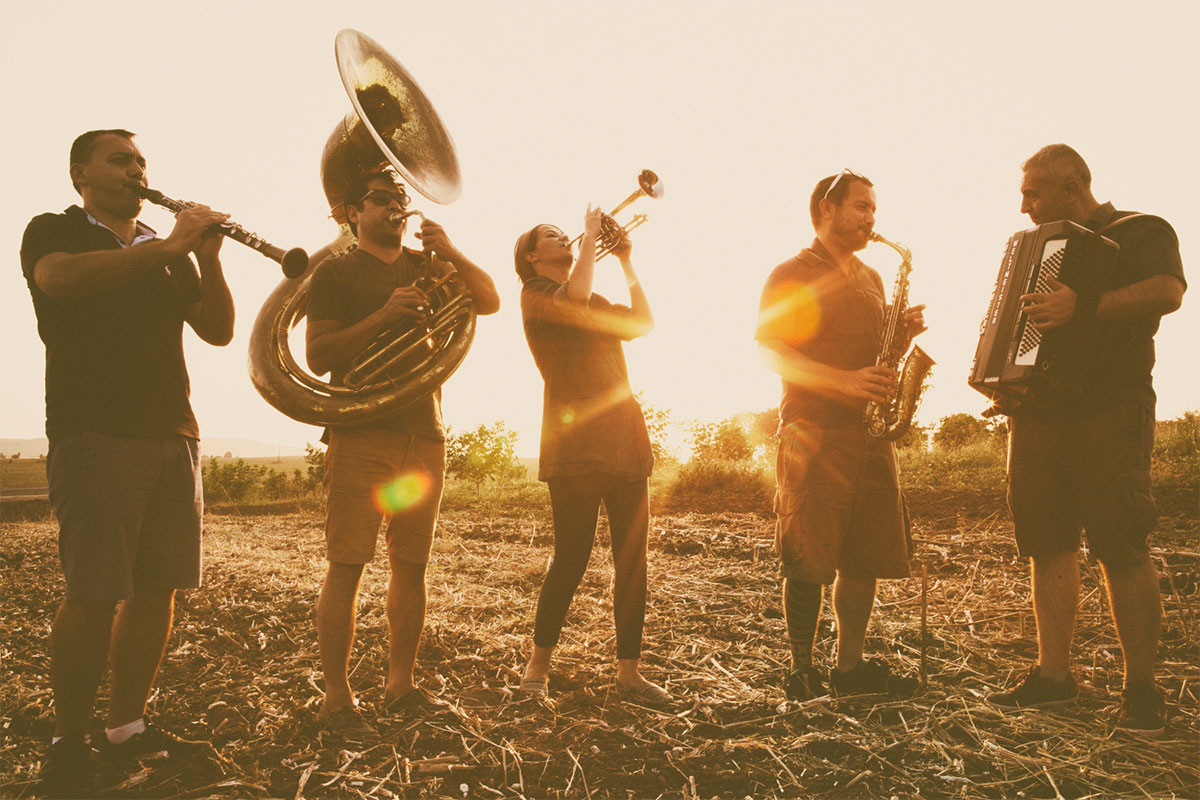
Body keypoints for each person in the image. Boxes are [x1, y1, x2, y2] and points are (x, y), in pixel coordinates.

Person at [20, 129, 235, 796]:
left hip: (174, 435)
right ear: (81, 173)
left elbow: (218, 328)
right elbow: (57, 282)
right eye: (121, 159)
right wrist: (170, 245)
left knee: (155, 589)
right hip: (96, 434)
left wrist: (208, 257)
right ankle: (68, 738)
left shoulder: (166, 253)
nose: (137, 169)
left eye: (141, 160)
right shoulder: (56, 230)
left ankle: (125, 728)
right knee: (93, 592)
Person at [987, 144, 1185, 737]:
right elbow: (1020, 327)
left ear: (1071, 189)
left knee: (1120, 544)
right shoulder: (1030, 253)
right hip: (1038, 415)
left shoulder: (1142, 230)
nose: (1023, 207)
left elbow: (1170, 292)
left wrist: (1086, 305)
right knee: (1047, 544)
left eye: (1033, 194)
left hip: (1110, 410)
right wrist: (1003, 378)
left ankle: (1142, 692)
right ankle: (1053, 678)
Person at [306, 170, 500, 740]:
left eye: (401, 200)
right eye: (383, 200)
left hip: (425, 434)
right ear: (352, 212)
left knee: (410, 567)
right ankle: (337, 699)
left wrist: (451, 251)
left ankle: (400, 686)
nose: (397, 208)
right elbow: (318, 356)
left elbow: (487, 300)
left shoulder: (428, 265)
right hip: (362, 433)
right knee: (348, 565)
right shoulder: (335, 273)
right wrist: (383, 317)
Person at [755, 169, 926, 702]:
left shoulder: (874, 278)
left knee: (864, 557)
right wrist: (846, 382)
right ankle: (801, 673)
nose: (871, 218)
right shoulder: (792, 271)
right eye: (861, 207)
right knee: (809, 559)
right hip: (816, 432)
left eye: (874, 209)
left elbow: (874, 359)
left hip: (871, 436)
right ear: (826, 209)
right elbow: (770, 351)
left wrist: (900, 338)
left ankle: (847, 671)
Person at [512, 207, 670, 704]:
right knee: (572, 558)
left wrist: (625, 261)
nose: (568, 236)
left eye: (568, 232)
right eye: (553, 235)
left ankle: (629, 672)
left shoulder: (595, 296)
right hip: (576, 445)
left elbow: (644, 323)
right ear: (533, 256)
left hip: (625, 440)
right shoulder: (535, 295)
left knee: (633, 562)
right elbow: (573, 297)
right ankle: (537, 669)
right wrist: (591, 232)